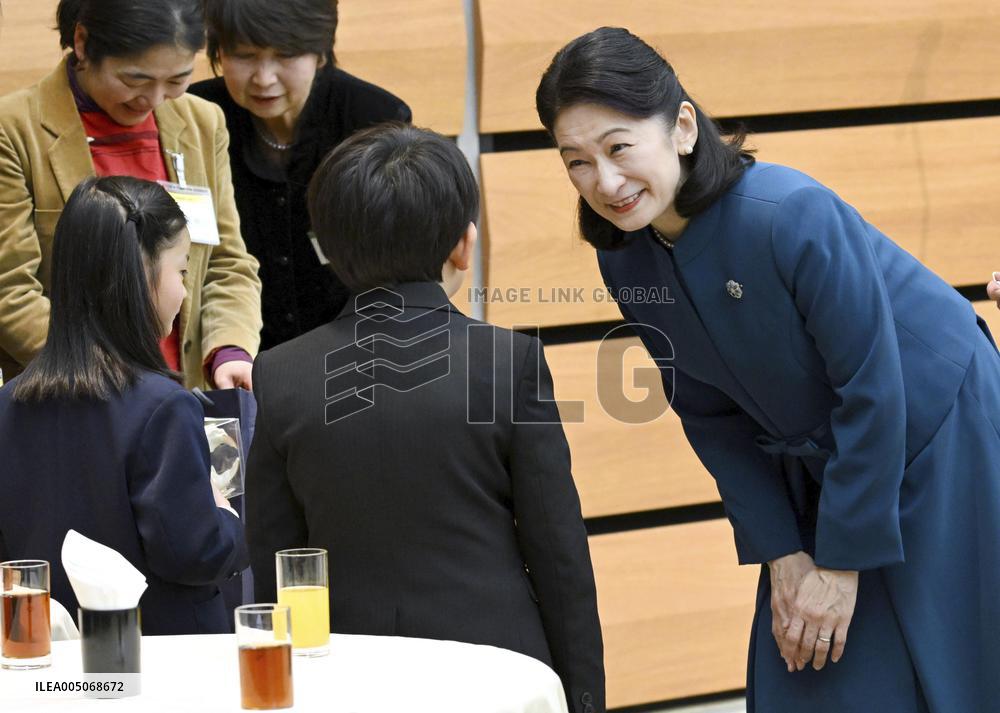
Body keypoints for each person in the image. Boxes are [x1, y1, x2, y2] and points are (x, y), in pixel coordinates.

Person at [535, 27, 1000, 713]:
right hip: (824, 461)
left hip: (937, 429)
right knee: (808, 659)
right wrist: (784, 552)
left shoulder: (787, 212)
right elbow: (706, 413)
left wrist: (840, 564)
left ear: (683, 128)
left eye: (618, 148)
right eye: (575, 161)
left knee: (959, 659)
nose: (603, 182)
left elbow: (872, 386)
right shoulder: (624, 257)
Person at [245, 124, 605, 713]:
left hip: (342, 676)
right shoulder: (508, 362)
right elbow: (560, 556)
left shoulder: (280, 373)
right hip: (498, 673)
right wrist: (586, 701)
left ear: (327, 251)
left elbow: (276, 564)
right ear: (464, 245)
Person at [0, 176, 248, 635]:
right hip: (160, 657)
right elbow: (195, 552)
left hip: (44, 657)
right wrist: (226, 513)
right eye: (181, 270)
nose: (185, 291)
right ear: (140, 274)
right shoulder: (163, 407)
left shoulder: (8, 404)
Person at [0, 0, 262, 389]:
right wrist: (108, 379)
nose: (154, 98)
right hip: (74, 395)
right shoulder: (15, 129)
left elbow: (226, 262)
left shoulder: (203, 123)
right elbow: (11, 288)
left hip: (187, 393)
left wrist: (229, 350)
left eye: (177, 80)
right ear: (84, 43)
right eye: (135, 80)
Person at [189, 0, 411, 349]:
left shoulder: (374, 119)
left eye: (285, 56)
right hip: (235, 354)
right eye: (244, 56)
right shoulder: (195, 118)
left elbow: (398, 267)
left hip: (358, 349)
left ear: (320, 54)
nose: (264, 78)